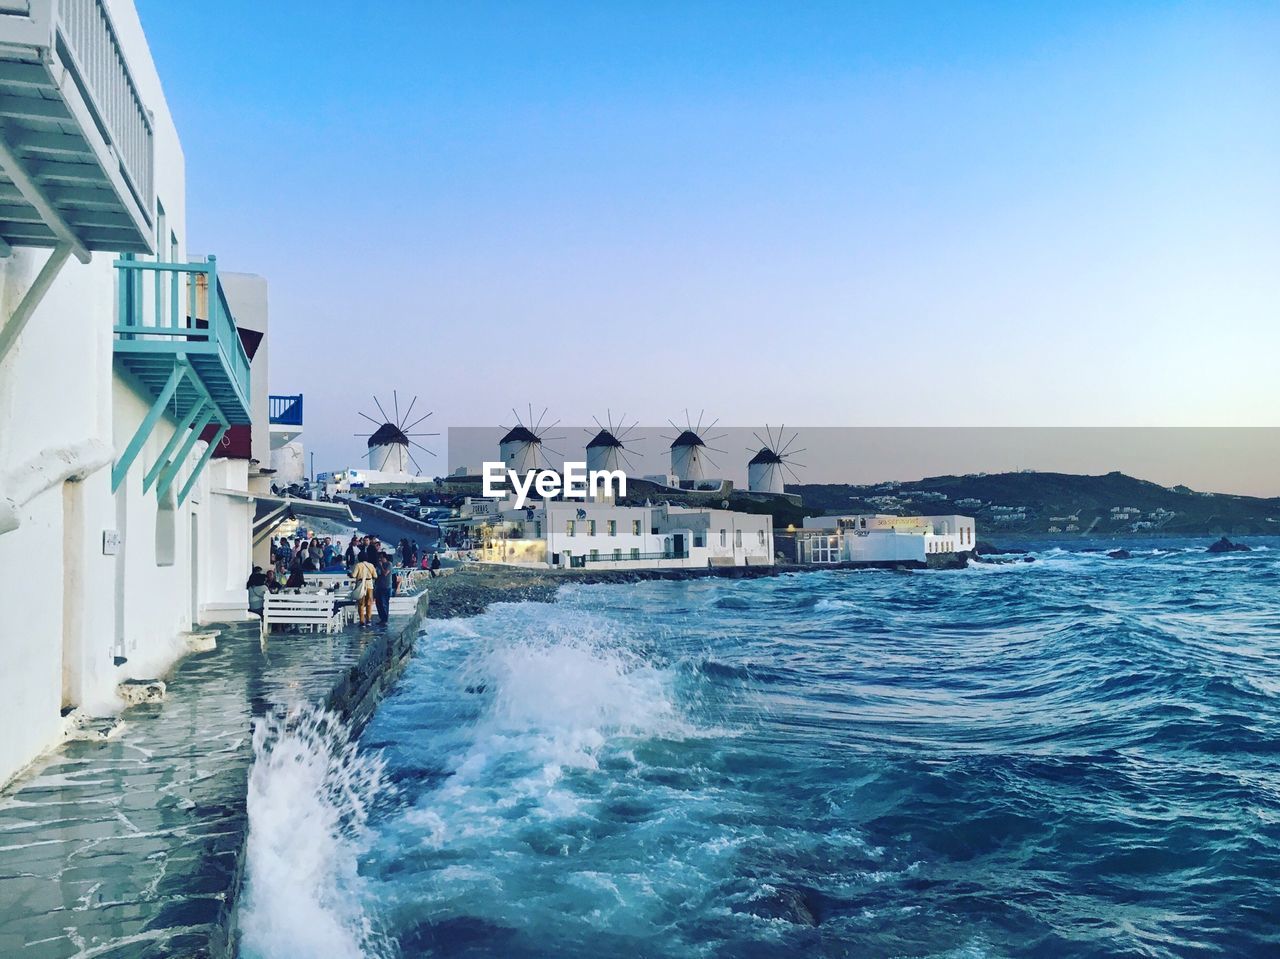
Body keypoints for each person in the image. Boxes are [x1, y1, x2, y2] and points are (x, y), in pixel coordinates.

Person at [351, 554, 377, 626]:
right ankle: (368, 620)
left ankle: (362, 621)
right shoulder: (371, 565)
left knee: (361, 604)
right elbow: (375, 576)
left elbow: (353, 575)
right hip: (369, 585)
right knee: (369, 603)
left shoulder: (358, 565)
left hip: (360, 585)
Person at [373, 553, 394, 625]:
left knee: (384, 603)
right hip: (379, 586)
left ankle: (385, 619)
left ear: (385, 558)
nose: (380, 559)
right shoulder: (378, 565)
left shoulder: (389, 564)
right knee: (378, 603)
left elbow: (385, 573)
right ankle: (381, 618)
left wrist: (381, 566)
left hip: (386, 586)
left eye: (381, 558)